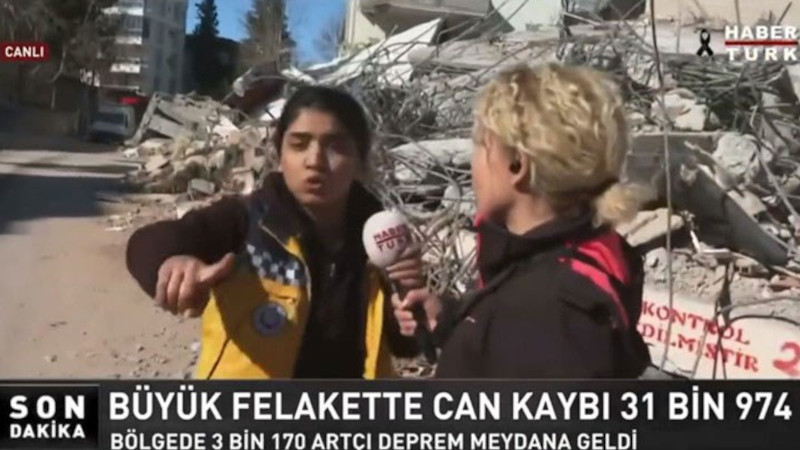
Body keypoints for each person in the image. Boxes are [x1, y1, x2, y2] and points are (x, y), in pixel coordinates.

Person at [126, 86, 423, 379]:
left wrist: (409, 309)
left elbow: (406, 345)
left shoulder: (383, 238)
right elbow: (147, 243)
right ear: (280, 153)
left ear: (360, 158)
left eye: (335, 146)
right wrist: (172, 264)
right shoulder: (248, 221)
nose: (315, 161)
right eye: (299, 145)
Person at [394, 63, 653, 378]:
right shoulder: (584, 253)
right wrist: (451, 319)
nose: (474, 163)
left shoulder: (548, 317)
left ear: (518, 165)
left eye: (481, 145)